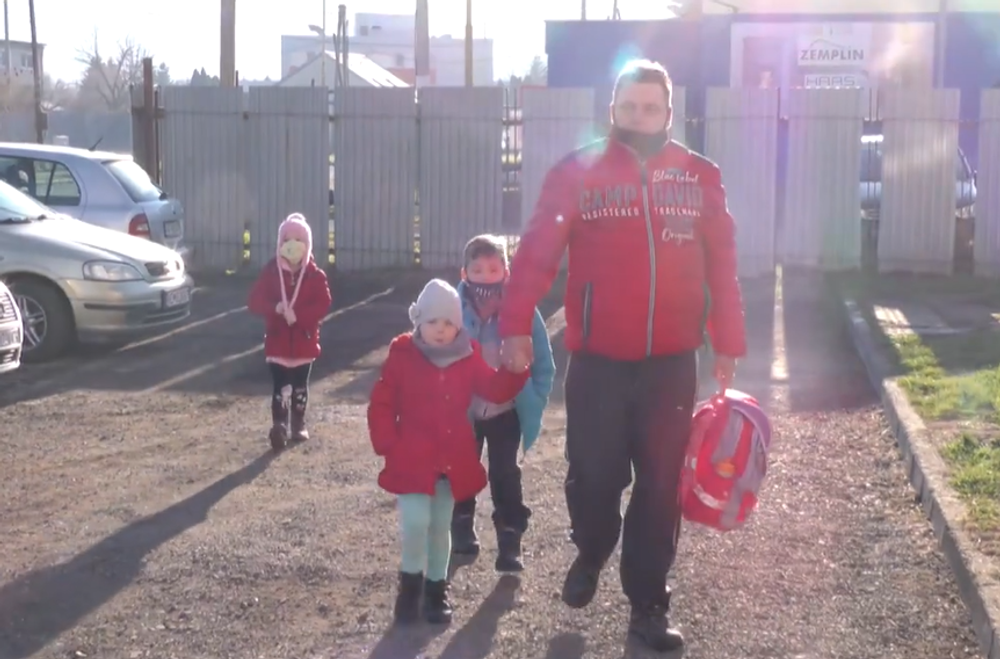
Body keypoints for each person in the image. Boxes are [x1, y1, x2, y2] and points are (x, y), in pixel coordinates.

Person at [497, 59, 747, 653]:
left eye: (651, 108)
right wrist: (513, 327)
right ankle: (592, 547)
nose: (640, 118)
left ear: (668, 112)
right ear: (613, 110)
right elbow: (535, 253)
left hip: (670, 363)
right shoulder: (577, 172)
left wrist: (729, 341)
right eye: (629, 107)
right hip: (599, 361)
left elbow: (723, 264)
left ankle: (649, 605)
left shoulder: (699, 176)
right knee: (596, 475)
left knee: (661, 484)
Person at [367, 278, 529, 626]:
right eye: (432, 322)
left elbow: (494, 388)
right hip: (410, 458)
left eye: (448, 323)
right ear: (418, 322)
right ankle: (409, 588)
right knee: (415, 523)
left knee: (441, 528)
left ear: (458, 324)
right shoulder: (403, 354)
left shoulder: (467, 355)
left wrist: (515, 370)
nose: (440, 330)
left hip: (450, 459)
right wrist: (386, 441)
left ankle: (435, 590)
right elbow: (382, 400)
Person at [450, 234, 556, 572]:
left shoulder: (521, 310)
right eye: (477, 269)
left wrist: (534, 397)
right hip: (462, 412)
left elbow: (544, 363)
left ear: (506, 272)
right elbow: (427, 346)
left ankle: (510, 539)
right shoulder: (450, 307)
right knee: (460, 469)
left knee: (505, 474)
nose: (485, 276)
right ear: (464, 273)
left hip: (505, 409)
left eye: (493, 268)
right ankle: (461, 525)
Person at [247, 213, 332, 452]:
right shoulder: (272, 272)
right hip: (277, 343)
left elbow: (323, 305)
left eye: (298, 239)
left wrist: (301, 317)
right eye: (287, 239)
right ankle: (279, 425)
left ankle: (298, 423)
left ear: (307, 244)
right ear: (280, 243)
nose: (292, 244)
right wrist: (275, 308)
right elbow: (254, 300)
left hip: (304, 343)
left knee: (300, 388)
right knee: (280, 387)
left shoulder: (315, 275)